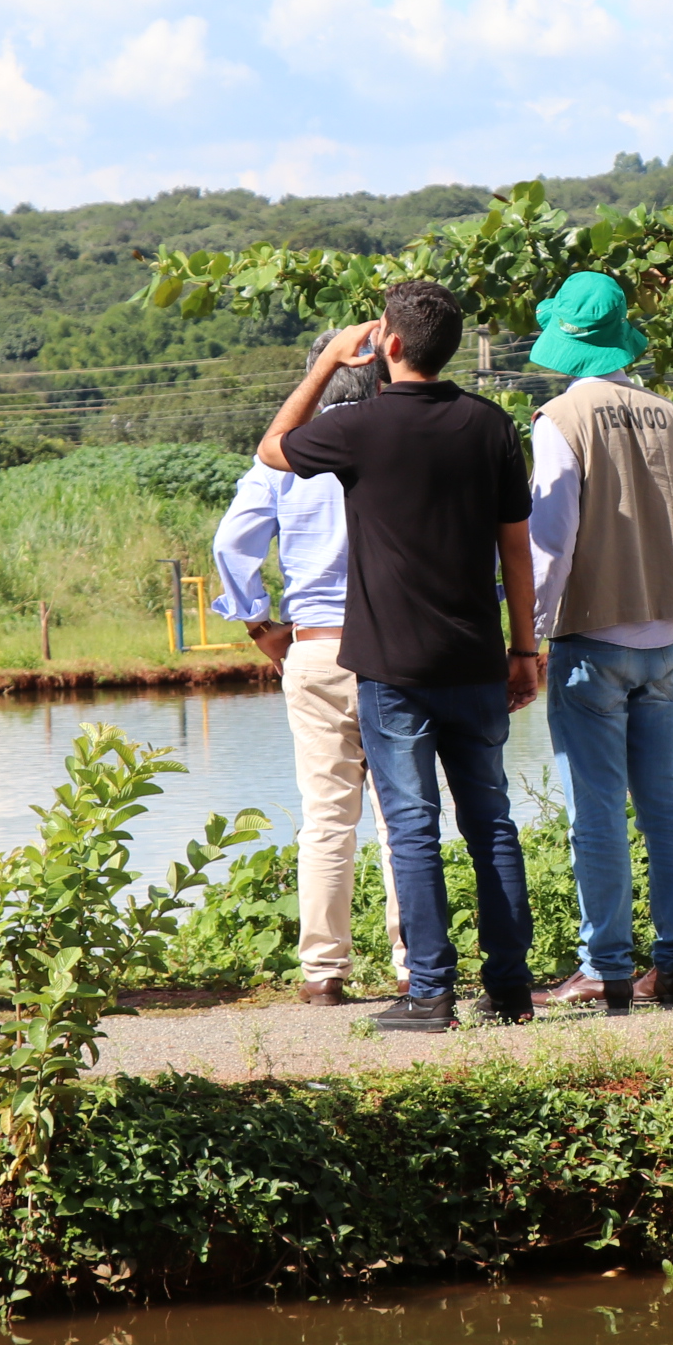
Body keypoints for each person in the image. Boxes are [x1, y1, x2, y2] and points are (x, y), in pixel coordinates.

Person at [259, 280, 542, 1033]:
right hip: (478, 658)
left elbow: (273, 449)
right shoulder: (490, 426)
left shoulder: (357, 426)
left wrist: (323, 364)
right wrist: (526, 649)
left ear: (385, 344)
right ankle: (510, 989)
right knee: (491, 824)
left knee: (413, 827)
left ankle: (430, 993)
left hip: (391, 667)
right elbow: (517, 547)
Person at [520, 271, 673, 1015]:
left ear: (567, 341)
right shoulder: (668, 415)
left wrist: (529, 635)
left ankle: (604, 967)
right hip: (664, 634)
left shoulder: (561, 418)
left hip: (590, 638)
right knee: (666, 800)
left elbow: (550, 542)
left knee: (595, 809)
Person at [211, 334, 403, 1006]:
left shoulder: (284, 460)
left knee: (327, 817)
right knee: (402, 813)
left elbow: (230, 543)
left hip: (317, 648)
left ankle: (324, 973)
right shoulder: (400, 444)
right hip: (398, 647)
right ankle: (413, 964)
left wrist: (260, 625)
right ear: (382, 379)